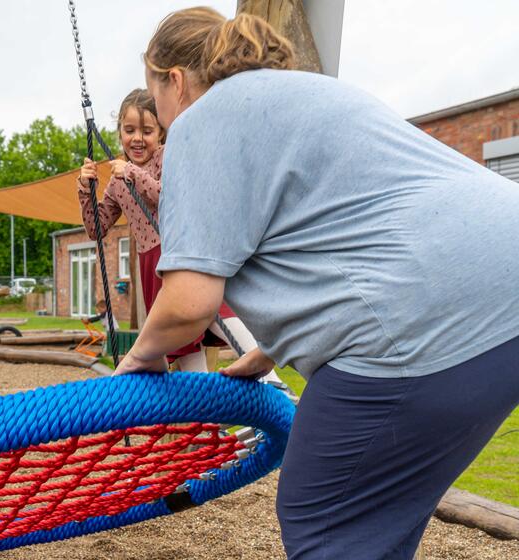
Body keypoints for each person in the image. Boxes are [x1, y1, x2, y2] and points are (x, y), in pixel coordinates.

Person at [115, 7, 519, 559]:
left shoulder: (201, 120)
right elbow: (326, 236)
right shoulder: (303, 92)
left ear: (175, 81)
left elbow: (189, 302)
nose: (159, 117)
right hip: (502, 293)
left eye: (153, 95)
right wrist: (269, 351)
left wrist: (139, 358)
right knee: (379, 518)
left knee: (323, 516)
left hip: (421, 318)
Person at [78, 89, 283, 382]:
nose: (137, 138)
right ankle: (204, 419)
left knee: (213, 312)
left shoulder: (168, 157)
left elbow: (168, 196)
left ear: (160, 132)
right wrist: (86, 190)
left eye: (147, 131)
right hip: (152, 264)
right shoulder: (116, 181)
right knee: (180, 342)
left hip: (182, 249)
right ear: (119, 132)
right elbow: (95, 229)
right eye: (129, 130)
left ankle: (271, 379)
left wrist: (133, 173)